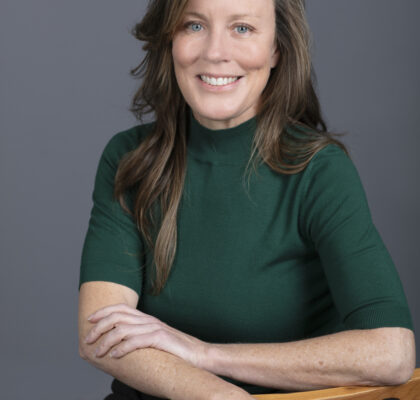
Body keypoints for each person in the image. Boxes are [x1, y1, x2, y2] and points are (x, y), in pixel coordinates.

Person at [77, 0, 416, 399]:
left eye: (242, 29)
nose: (215, 52)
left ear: (276, 50)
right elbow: (99, 335)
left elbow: (391, 353)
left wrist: (204, 354)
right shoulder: (130, 160)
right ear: (169, 40)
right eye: (193, 26)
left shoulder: (318, 170)